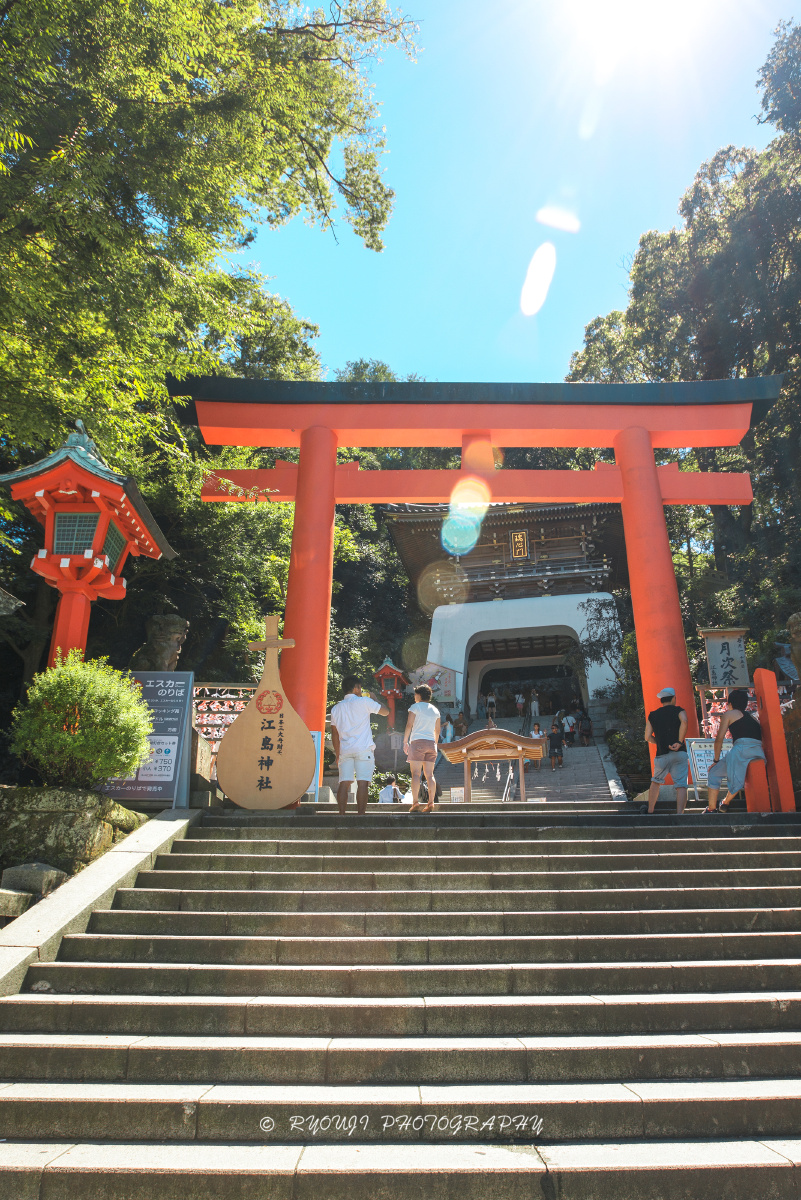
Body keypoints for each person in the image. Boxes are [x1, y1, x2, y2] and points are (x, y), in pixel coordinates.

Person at [329, 675, 389, 816]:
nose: (360, 690)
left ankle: (342, 815)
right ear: (356, 688)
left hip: (345, 750)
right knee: (363, 782)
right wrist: (375, 699)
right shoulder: (364, 702)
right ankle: (360, 815)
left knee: (344, 782)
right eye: (359, 687)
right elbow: (386, 712)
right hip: (363, 748)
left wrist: (338, 755)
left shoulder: (336, 709)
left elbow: (334, 734)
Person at [704, 689, 767, 813]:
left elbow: (719, 740)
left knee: (714, 772)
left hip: (741, 750)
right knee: (733, 774)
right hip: (758, 752)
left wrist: (716, 760)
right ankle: (725, 803)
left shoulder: (730, 714)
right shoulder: (754, 719)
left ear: (730, 704)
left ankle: (711, 809)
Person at [642, 686, 689, 815]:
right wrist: (679, 742)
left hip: (662, 754)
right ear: (674, 698)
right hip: (679, 753)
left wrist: (660, 742)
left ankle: (650, 810)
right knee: (681, 785)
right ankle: (680, 814)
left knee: (656, 781)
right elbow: (684, 721)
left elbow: (647, 737)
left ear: (661, 700)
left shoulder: (653, 715)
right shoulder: (679, 711)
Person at [403, 684, 441, 813]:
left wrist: (405, 741)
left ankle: (415, 803)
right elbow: (437, 730)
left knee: (416, 774)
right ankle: (431, 802)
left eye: (415, 694)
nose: (414, 696)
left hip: (417, 742)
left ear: (419, 695)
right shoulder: (435, 710)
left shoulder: (415, 707)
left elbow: (409, 725)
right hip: (431, 743)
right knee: (430, 775)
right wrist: (434, 744)